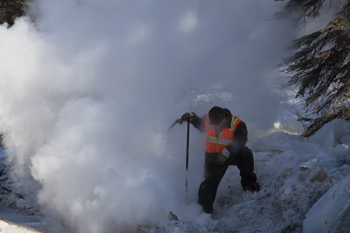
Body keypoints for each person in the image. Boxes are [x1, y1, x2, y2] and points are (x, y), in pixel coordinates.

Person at [180, 106, 260, 214]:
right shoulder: (209, 119)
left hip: (232, 153)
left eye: (218, 123)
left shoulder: (237, 124)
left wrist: (226, 152)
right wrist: (191, 119)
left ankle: (249, 183)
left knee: (246, 154)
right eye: (214, 123)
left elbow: (241, 141)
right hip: (213, 157)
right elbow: (200, 124)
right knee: (209, 184)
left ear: (224, 118)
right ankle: (204, 212)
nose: (215, 126)